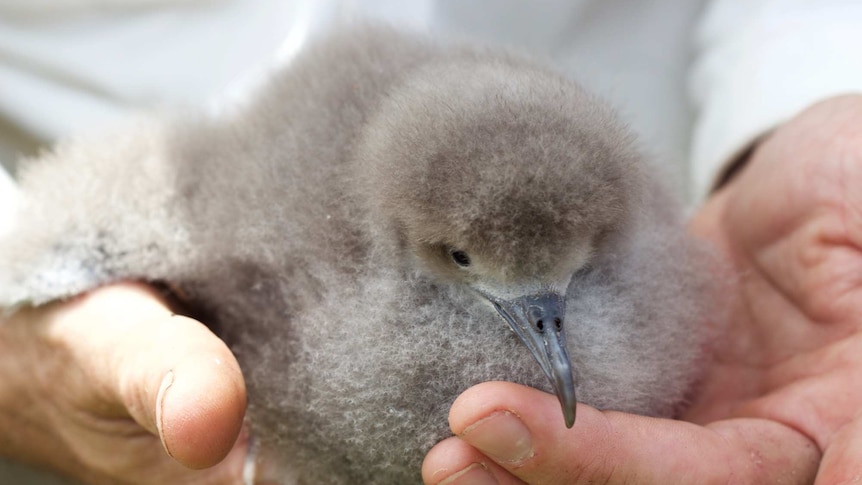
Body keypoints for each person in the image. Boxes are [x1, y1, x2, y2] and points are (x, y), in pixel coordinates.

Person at [0, 1, 860, 483]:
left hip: (697, 157)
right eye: (469, 263)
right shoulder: (301, 277)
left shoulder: (645, 262)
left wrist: (820, 94)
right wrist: (16, 356)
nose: (547, 339)